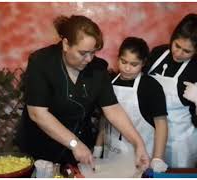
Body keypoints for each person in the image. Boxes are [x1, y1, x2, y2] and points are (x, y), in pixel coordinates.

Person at [15, 15, 149, 170]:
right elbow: (37, 113)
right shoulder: (42, 62)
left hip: (78, 149)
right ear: (66, 44)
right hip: (41, 147)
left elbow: (112, 109)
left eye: (93, 53)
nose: (89, 59)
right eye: (83, 53)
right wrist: (74, 143)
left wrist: (138, 143)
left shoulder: (98, 69)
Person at [143, 14, 197, 168]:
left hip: (180, 143)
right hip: (150, 133)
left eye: (186, 51)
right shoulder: (158, 53)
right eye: (176, 45)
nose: (178, 53)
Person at [93, 37, 168, 172]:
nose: (127, 68)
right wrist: (97, 149)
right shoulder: (109, 82)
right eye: (123, 61)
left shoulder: (151, 87)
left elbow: (161, 123)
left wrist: (158, 157)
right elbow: (105, 119)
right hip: (112, 153)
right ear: (118, 58)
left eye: (134, 64)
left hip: (141, 156)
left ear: (144, 63)